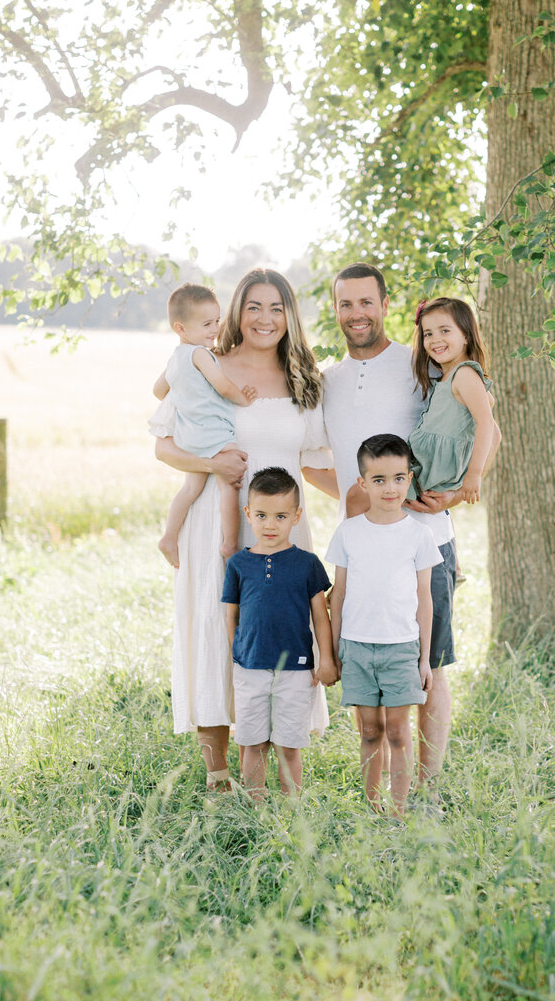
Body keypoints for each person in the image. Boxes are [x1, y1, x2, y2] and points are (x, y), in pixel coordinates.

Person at [315, 263, 498, 791]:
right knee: (368, 662)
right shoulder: (330, 380)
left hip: (426, 540)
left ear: (385, 304)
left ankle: (428, 788)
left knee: (429, 664)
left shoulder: (421, 365)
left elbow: (482, 426)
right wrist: (364, 498)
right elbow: (311, 463)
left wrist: (459, 492)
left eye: (366, 302)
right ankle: (381, 790)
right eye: (345, 304)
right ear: (335, 309)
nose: (356, 313)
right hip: (361, 549)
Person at [150, 269, 332, 795]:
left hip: (286, 529)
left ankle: (276, 777)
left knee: (279, 634)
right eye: (253, 307)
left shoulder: (305, 380)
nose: (265, 318)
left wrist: (379, 504)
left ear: (289, 315)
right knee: (215, 629)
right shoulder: (207, 366)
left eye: (276, 308)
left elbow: (315, 465)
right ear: (236, 312)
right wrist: (211, 464)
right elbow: (162, 444)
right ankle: (219, 779)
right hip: (216, 520)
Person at [327, 434, 441, 817]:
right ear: (362, 483)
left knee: (397, 731)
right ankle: (371, 806)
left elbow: (424, 600)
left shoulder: (419, 535)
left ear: (409, 478)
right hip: (357, 647)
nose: (388, 488)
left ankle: (399, 808)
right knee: (369, 731)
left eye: (396, 478)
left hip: (401, 647)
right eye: (378, 479)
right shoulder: (349, 532)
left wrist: (424, 658)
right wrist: (335, 648)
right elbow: (338, 595)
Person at [222, 467, 337, 802]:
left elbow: (320, 615)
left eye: (280, 516)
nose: (270, 525)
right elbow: (232, 613)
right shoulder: (239, 565)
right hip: (250, 669)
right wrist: (238, 654)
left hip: (296, 671)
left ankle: (291, 812)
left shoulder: (307, 563)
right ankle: (255, 810)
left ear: (296, 517)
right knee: (252, 743)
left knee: (288, 745)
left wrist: (326, 660)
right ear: (248, 514)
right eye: (261, 515)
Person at [154, 283, 257, 569]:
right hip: (214, 433)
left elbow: (157, 390)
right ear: (181, 328)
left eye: (217, 321)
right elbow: (222, 385)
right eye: (206, 324)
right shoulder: (200, 354)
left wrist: (185, 390)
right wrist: (242, 397)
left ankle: (168, 537)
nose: (215, 329)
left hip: (190, 436)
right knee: (229, 485)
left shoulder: (175, 359)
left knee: (190, 490)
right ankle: (229, 543)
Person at [408, 296, 500, 504]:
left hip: (436, 476)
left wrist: (474, 474)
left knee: (362, 496)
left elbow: (486, 424)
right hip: (423, 468)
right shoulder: (447, 376)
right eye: (428, 333)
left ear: (466, 335)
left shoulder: (465, 374)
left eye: (445, 330)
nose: (435, 339)